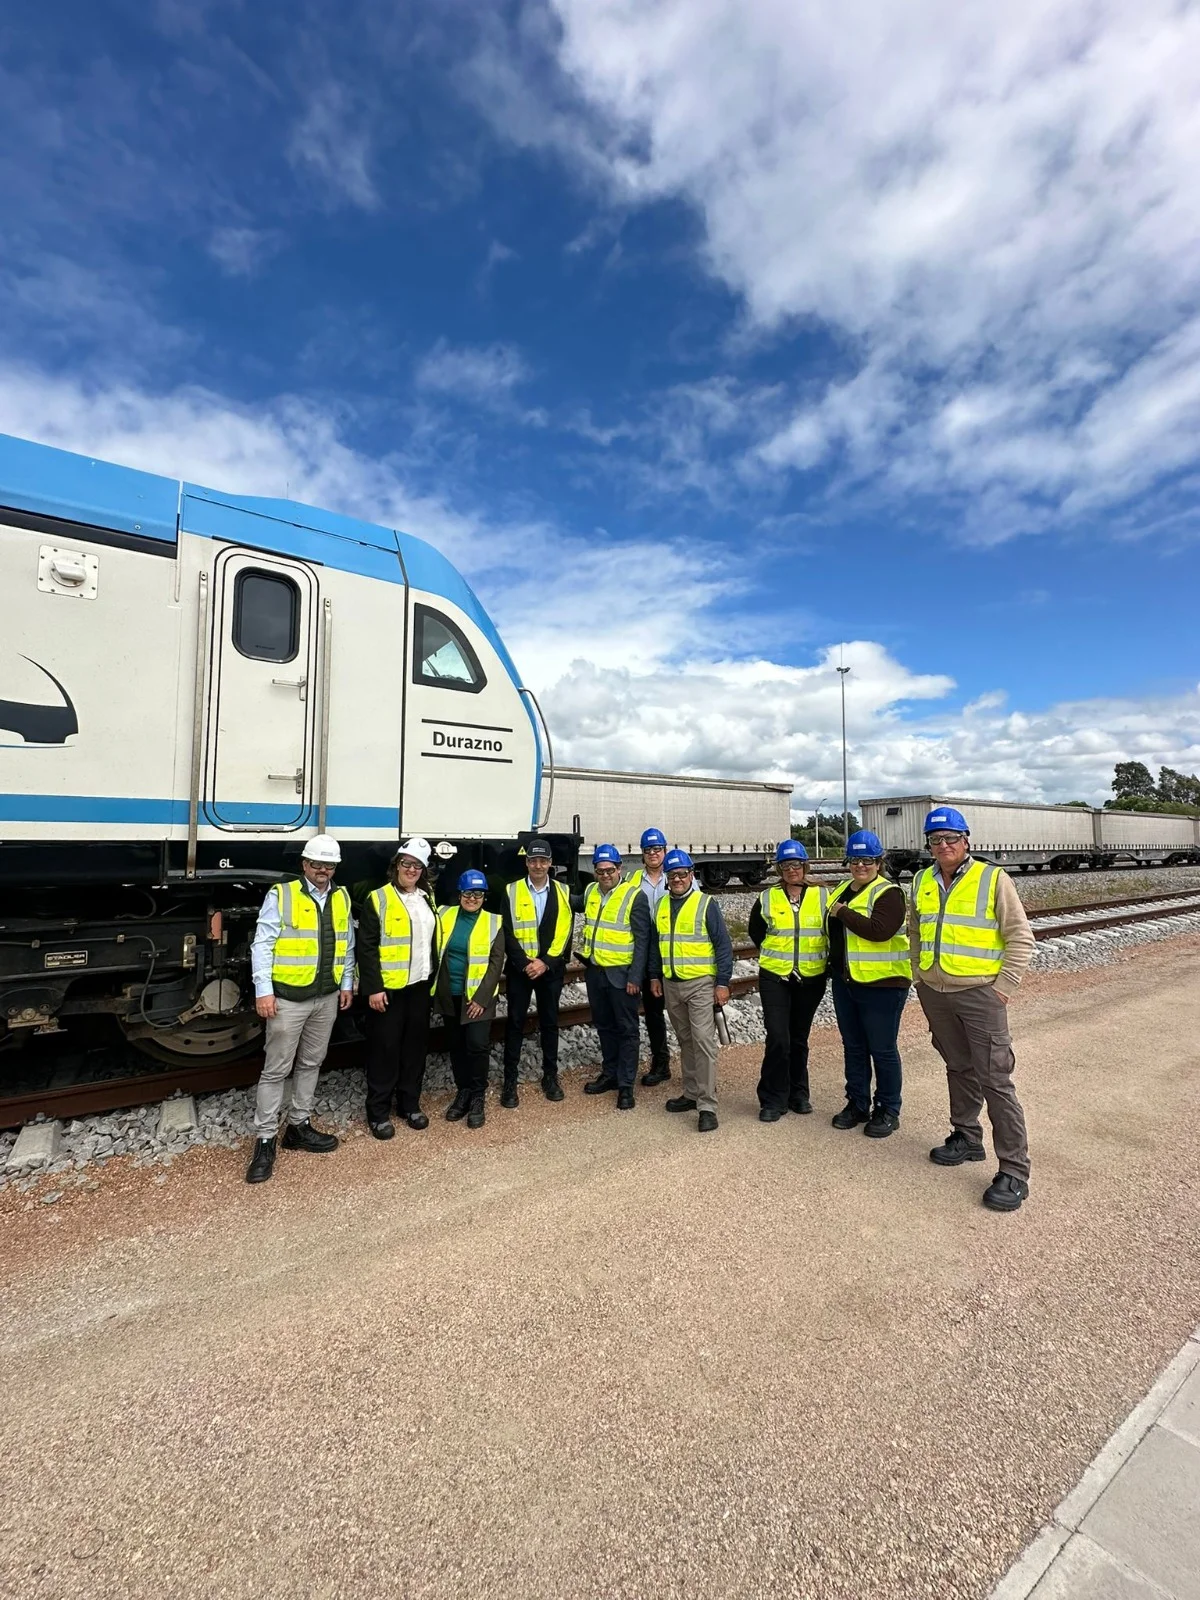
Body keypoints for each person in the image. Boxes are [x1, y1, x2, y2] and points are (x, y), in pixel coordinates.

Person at [912, 806, 1036, 1213]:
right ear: (928, 845)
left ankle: (1015, 1170)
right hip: (936, 991)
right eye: (935, 840)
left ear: (966, 840)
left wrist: (1003, 989)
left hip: (981, 994)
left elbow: (1020, 937)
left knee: (994, 1078)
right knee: (957, 1066)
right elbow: (915, 930)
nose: (943, 846)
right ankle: (966, 1137)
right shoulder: (922, 880)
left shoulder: (992, 878)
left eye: (950, 838)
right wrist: (919, 975)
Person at [245, 834, 354, 1184]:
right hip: (288, 998)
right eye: (317, 864)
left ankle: (298, 1126)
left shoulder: (342, 896)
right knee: (275, 1069)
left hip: (325, 996)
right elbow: (262, 944)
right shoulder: (282, 894)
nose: (323, 871)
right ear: (304, 865)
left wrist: (347, 983)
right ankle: (264, 1139)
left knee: (311, 1062)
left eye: (329, 865)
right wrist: (264, 991)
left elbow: (346, 943)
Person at [825, 830, 910, 1139]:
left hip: (883, 985)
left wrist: (843, 913)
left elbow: (879, 931)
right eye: (855, 860)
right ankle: (857, 1103)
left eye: (868, 860)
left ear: (879, 862)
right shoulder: (842, 889)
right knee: (854, 1047)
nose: (860, 866)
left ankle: (888, 1109)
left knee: (882, 1049)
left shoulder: (889, 892)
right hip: (847, 982)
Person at [356, 838, 437, 1140]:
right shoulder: (378, 899)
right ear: (396, 866)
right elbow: (366, 949)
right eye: (406, 864)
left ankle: (409, 1105)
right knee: (384, 1050)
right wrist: (373, 988)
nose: (411, 870)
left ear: (423, 871)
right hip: (388, 990)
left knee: (414, 1049)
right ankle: (378, 1112)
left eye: (417, 866)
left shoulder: (427, 897)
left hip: (419, 986)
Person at [748, 839, 828, 1121]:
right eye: (785, 865)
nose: (792, 870)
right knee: (778, 1038)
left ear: (805, 865)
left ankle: (798, 1093)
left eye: (796, 864)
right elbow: (756, 931)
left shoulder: (822, 896)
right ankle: (772, 1098)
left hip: (811, 977)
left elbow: (832, 931)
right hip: (775, 977)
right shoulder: (767, 897)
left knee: (799, 1038)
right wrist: (778, 956)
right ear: (778, 868)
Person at [655, 849, 733, 1133]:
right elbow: (657, 944)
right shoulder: (661, 906)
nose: (677, 879)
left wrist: (722, 982)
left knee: (703, 1041)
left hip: (700, 984)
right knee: (685, 1040)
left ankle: (707, 1105)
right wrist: (655, 977)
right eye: (672, 875)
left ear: (691, 875)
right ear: (667, 878)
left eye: (682, 874)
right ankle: (690, 1093)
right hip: (671, 983)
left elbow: (723, 946)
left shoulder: (705, 904)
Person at [575, 844, 651, 1110]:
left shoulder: (634, 896)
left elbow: (642, 941)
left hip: (622, 976)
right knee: (605, 1026)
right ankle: (610, 1074)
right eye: (600, 870)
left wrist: (635, 977)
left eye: (610, 870)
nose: (605, 875)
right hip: (596, 973)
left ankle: (626, 1084)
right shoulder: (590, 892)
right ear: (595, 872)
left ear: (619, 869)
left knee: (627, 1030)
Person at [501, 839, 572, 1106]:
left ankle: (550, 1077)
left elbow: (564, 932)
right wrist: (524, 963)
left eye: (543, 860)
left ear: (550, 863)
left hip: (549, 970)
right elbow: (506, 931)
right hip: (521, 970)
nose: (539, 865)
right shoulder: (511, 890)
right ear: (527, 862)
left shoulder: (563, 891)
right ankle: (510, 1081)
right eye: (534, 860)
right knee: (515, 1023)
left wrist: (545, 962)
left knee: (550, 1022)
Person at [434, 870, 505, 1130]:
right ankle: (462, 1091)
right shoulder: (444, 915)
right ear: (459, 894)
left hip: (478, 998)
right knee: (456, 1045)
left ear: (484, 897)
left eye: (478, 894)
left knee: (476, 1045)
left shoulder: (494, 923)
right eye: (468, 893)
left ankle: (477, 1096)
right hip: (448, 994)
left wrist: (481, 999)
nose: (472, 898)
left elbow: (496, 966)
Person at [625, 826, 673, 1087]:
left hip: (670, 953)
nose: (653, 853)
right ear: (641, 854)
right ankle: (660, 1061)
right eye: (648, 850)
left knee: (679, 1012)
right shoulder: (632, 880)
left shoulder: (678, 875)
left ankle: (691, 1065)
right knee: (652, 1011)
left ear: (665, 850)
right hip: (641, 952)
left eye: (657, 849)